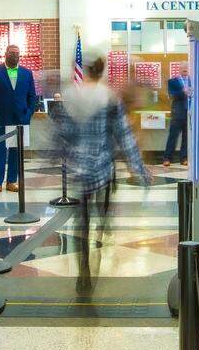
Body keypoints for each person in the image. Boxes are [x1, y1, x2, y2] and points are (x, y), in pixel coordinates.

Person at [56, 56, 151, 292]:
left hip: (81, 169)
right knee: (103, 204)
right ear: (101, 71)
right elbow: (124, 135)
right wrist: (139, 169)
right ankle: (104, 223)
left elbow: (61, 134)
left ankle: (84, 270)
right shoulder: (109, 98)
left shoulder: (70, 96)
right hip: (104, 166)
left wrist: (58, 157)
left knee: (82, 220)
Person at [0, 44, 38, 194]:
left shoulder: (27, 73)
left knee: (15, 151)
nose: (15, 55)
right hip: (0, 118)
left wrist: (28, 114)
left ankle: (11, 181)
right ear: (6, 53)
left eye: (17, 53)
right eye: (12, 53)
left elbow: (32, 96)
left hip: (20, 119)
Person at [162, 64, 190, 167]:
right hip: (177, 113)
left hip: (189, 113)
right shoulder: (172, 81)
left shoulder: (192, 81)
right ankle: (167, 158)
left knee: (187, 137)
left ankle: (184, 158)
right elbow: (171, 95)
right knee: (173, 136)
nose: (185, 70)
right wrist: (183, 92)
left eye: (186, 68)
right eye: (183, 68)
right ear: (179, 70)